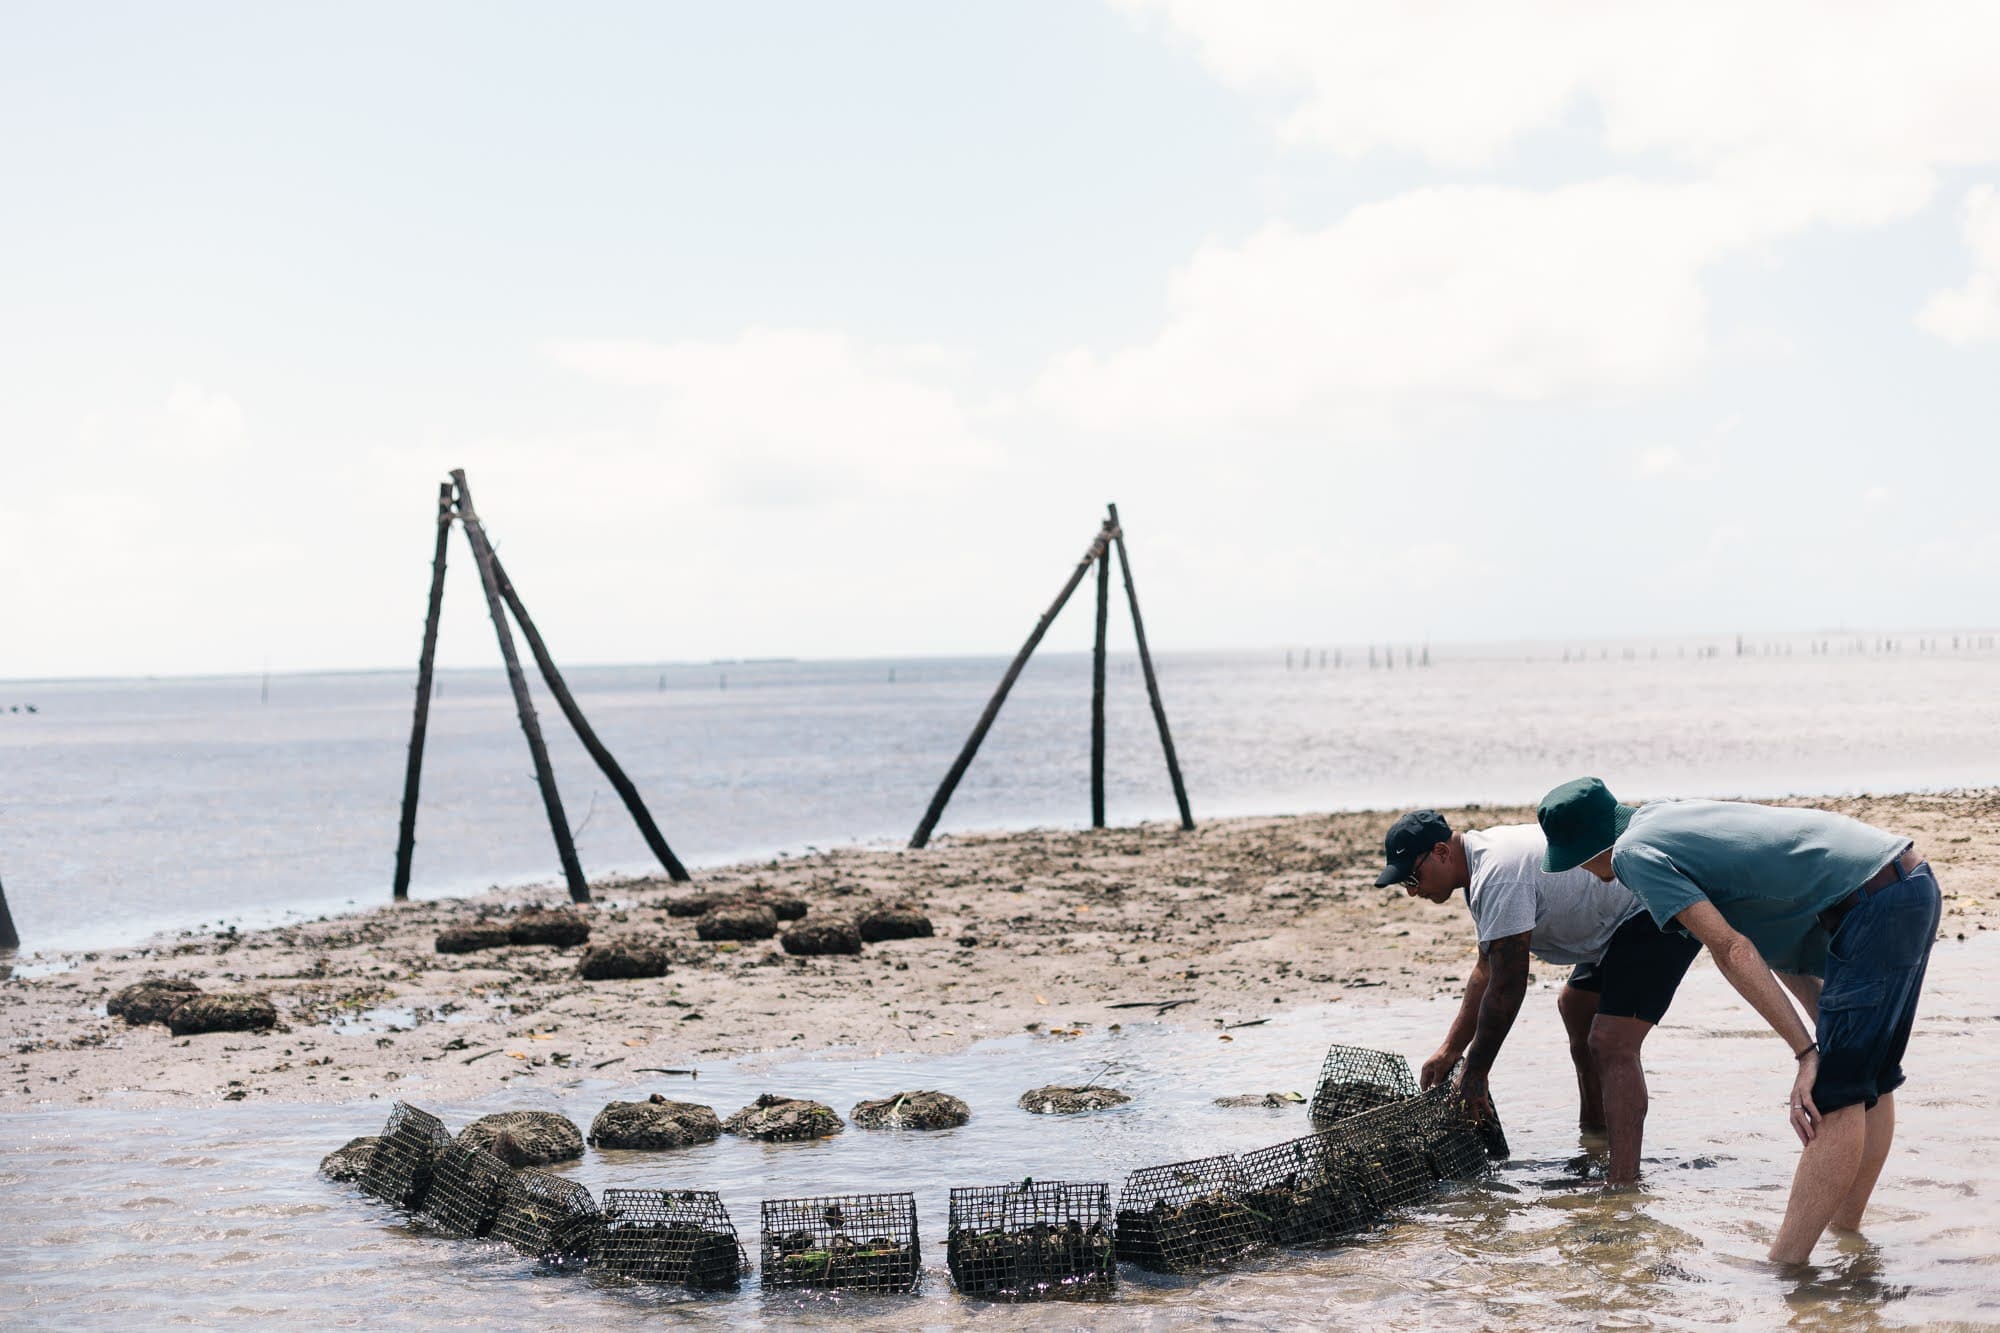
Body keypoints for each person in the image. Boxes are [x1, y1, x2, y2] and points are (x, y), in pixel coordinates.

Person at [1537, 777, 1938, 1265]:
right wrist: (1818, 1040)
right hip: (1908, 884)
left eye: (1577, 862)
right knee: (1869, 1078)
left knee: (1835, 1093)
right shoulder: (1663, 815)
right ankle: (1846, 1239)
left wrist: (1807, 1055)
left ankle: (1785, 1272)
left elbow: (1731, 949)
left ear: (1586, 849)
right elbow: (1779, 949)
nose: (1588, 874)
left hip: (1873, 905)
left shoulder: (1631, 856)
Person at [1376, 809, 1701, 1182]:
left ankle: (1622, 1186)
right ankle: (1595, 1141)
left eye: (1413, 878)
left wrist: (1476, 1072)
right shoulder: (1480, 868)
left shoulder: (1497, 874)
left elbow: (1509, 985)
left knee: (1611, 1041)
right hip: (1615, 923)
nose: (1412, 891)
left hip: (1655, 908)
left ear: (1441, 852)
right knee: (1576, 1006)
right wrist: (1451, 1049)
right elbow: (1487, 969)